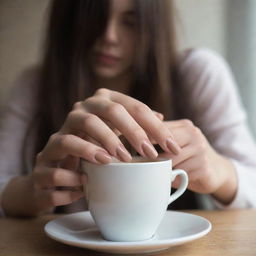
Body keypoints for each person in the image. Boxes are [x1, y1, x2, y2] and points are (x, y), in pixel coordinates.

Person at [1, 0, 256, 217]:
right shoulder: (35, 85)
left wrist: (221, 172)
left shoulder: (198, 72)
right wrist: (32, 191)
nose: (109, 36)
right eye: (95, 17)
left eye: (130, 22)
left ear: (153, 27)